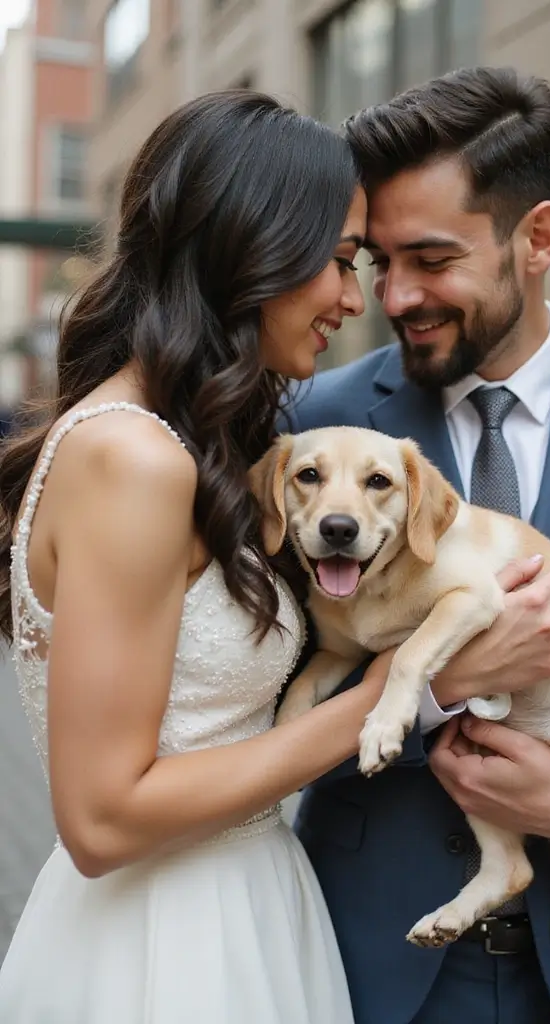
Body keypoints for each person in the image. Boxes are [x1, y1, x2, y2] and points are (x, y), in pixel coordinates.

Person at [287, 67, 550, 1024]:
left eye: (431, 259)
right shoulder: (314, 429)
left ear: (539, 239)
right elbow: (269, 694)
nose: (396, 295)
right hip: (361, 969)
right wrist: (434, 686)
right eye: (377, 262)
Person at [0, 89, 379, 1024]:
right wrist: (386, 700)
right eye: (339, 261)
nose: (353, 298)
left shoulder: (188, 443)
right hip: (167, 944)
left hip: (246, 905)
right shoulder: (134, 458)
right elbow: (102, 818)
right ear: (253, 244)